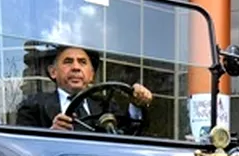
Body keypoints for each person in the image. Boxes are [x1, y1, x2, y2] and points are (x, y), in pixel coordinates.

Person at [15, 45, 153, 132]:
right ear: (53, 72)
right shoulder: (33, 106)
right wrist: (52, 135)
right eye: (68, 62)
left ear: (91, 74)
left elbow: (129, 137)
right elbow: (23, 151)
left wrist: (136, 104)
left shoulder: (106, 106)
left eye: (82, 62)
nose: (76, 67)